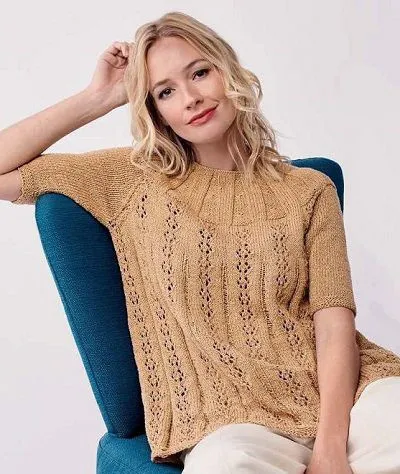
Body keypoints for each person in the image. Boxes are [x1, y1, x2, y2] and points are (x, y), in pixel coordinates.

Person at [1, 10, 400, 474]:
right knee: (225, 466)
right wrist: (98, 98)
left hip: (346, 402)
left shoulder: (309, 190)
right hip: (228, 421)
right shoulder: (130, 181)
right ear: (155, 111)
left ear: (227, 71)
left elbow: (333, 323)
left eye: (199, 73)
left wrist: (331, 449)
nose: (190, 99)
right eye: (165, 92)